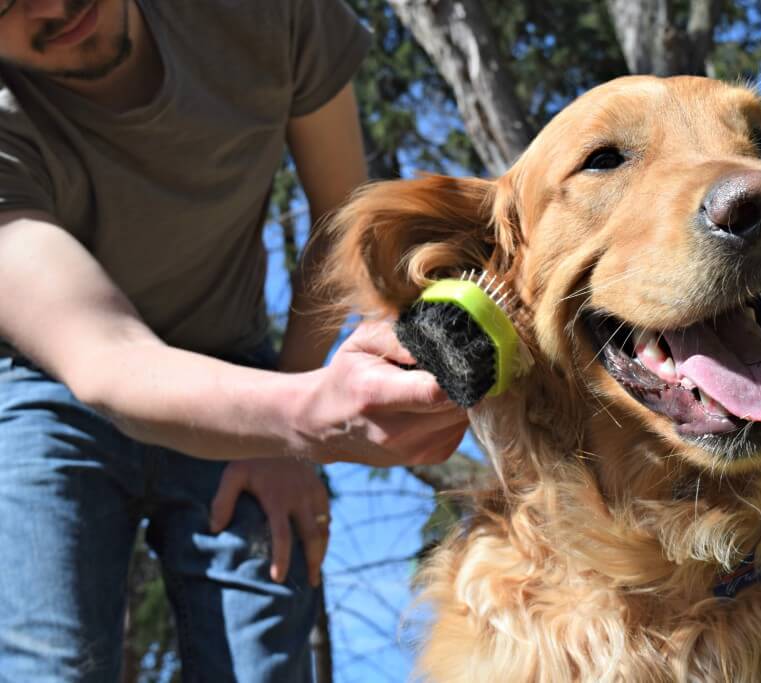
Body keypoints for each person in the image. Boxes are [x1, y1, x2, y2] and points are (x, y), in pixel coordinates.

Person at [0, 0, 469, 680]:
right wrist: (306, 417)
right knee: (50, 661)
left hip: (241, 367)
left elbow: (341, 224)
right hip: (46, 393)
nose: (50, 5)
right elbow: (106, 357)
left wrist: (282, 425)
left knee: (261, 660)